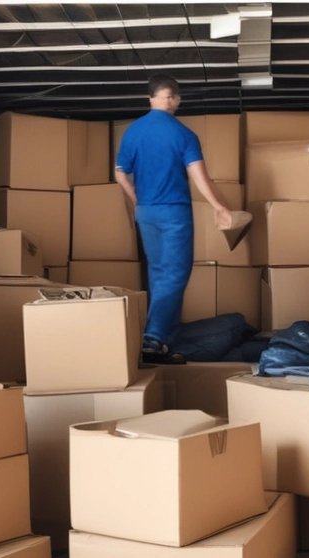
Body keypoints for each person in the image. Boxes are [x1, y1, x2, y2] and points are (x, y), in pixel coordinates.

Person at [114, 73, 233, 364]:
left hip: (147, 212)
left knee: (158, 273)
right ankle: (153, 339)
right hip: (173, 212)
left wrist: (137, 200)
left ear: (151, 99)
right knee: (175, 274)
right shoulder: (184, 134)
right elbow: (199, 176)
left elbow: (120, 173)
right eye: (172, 97)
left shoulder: (133, 131)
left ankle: (164, 337)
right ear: (176, 100)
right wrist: (218, 206)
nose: (170, 100)